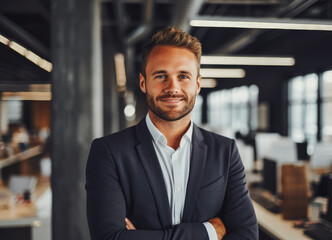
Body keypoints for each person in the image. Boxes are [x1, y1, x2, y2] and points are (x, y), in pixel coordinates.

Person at [86, 26, 258, 240]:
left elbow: (247, 235)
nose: (172, 87)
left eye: (183, 76)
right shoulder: (109, 152)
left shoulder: (225, 151)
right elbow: (109, 238)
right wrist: (209, 232)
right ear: (143, 83)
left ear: (197, 84)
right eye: (160, 76)